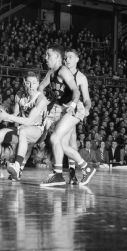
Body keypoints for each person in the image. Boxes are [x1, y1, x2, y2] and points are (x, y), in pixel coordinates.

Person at [38, 45, 88, 187]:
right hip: (63, 109)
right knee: (60, 143)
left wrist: (71, 106)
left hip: (75, 108)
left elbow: (76, 92)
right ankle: (72, 171)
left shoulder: (63, 70)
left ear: (57, 57)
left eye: (48, 55)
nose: (45, 57)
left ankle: (62, 174)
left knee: (55, 138)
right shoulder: (50, 73)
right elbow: (40, 88)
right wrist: (45, 104)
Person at [0, 70, 49, 182]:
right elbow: (15, 116)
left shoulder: (41, 100)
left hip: (38, 131)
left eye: (34, 83)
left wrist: (8, 117)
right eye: (28, 83)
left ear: (38, 83)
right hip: (22, 129)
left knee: (23, 131)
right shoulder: (19, 95)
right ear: (24, 82)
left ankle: (17, 166)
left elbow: (30, 121)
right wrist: (2, 116)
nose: (31, 86)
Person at [62, 49, 93, 185]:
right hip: (60, 108)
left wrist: (86, 108)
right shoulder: (61, 73)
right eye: (65, 57)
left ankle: (73, 172)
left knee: (70, 136)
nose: (67, 60)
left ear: (77, 59)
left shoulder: (81, 77)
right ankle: (73, 172)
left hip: (72, 108)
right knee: (66, 139)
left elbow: (87, 99)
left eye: (70, 57)